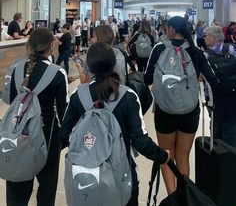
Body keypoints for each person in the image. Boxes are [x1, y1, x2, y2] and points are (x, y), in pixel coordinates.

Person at [60, 41, 170, 206]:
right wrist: (162, 156)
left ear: (89, 66)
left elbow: (64, 136)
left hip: (86, 175)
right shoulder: (128, 96)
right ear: (113, 64)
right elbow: (140, 141)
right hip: (121, 174)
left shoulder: (78, 95)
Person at [144, 16, 218, 195]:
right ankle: (184, 197)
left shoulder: (159, 49)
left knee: (166, 156)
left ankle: (172, 198)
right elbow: (213, 80)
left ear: (170, 29)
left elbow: (146, 78)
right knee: (183, 157)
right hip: (190, 112)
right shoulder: (196, 51)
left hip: (164, 111)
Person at [4, 27, 68, 206]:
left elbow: (9, 100)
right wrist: (65, 140)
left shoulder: (15, 68)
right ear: (50, 45)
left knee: (17, 188)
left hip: (17, 136)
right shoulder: (57, 72)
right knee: (47, 189)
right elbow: (64, 113)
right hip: (46, 138)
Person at [203, 25, 236, 147]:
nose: (204, 38)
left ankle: (218, 156)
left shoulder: (206, 55)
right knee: (232, 127)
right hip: (233, 94)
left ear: (212, 37)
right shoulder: (232, 48)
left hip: (215, 98)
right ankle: (231, 156)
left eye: (205, 36)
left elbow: (201, 76)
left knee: (216, 128)